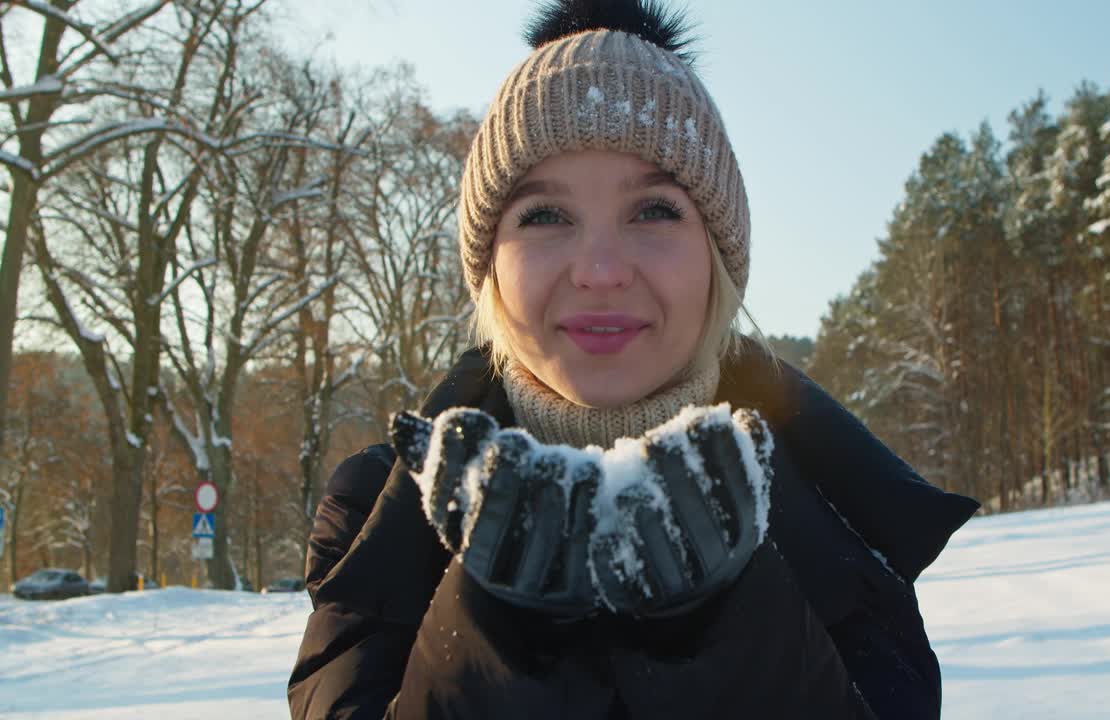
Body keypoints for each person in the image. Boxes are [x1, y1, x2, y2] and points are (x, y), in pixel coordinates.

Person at [287, 1, 980, 718]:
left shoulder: (840, 506)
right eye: (544, 216)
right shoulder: (376, 516)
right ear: (489, 264)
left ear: (719, 257)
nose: (601, 269)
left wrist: (715, 624)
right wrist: (499, 636)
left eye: (653, 210)